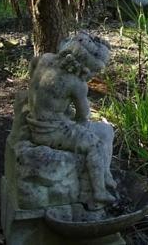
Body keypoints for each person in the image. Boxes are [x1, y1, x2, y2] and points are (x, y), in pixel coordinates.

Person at [25, 31, 117, 205]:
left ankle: (106, 175)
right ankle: (99, 191)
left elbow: (32, 67)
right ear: (85, 64)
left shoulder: (45, 58)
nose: (95, 74)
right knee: (96, 144)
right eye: (95, 70)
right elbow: (83, 117)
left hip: (35, 121)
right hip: (50, 131)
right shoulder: (77, 84)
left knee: (105, 131)